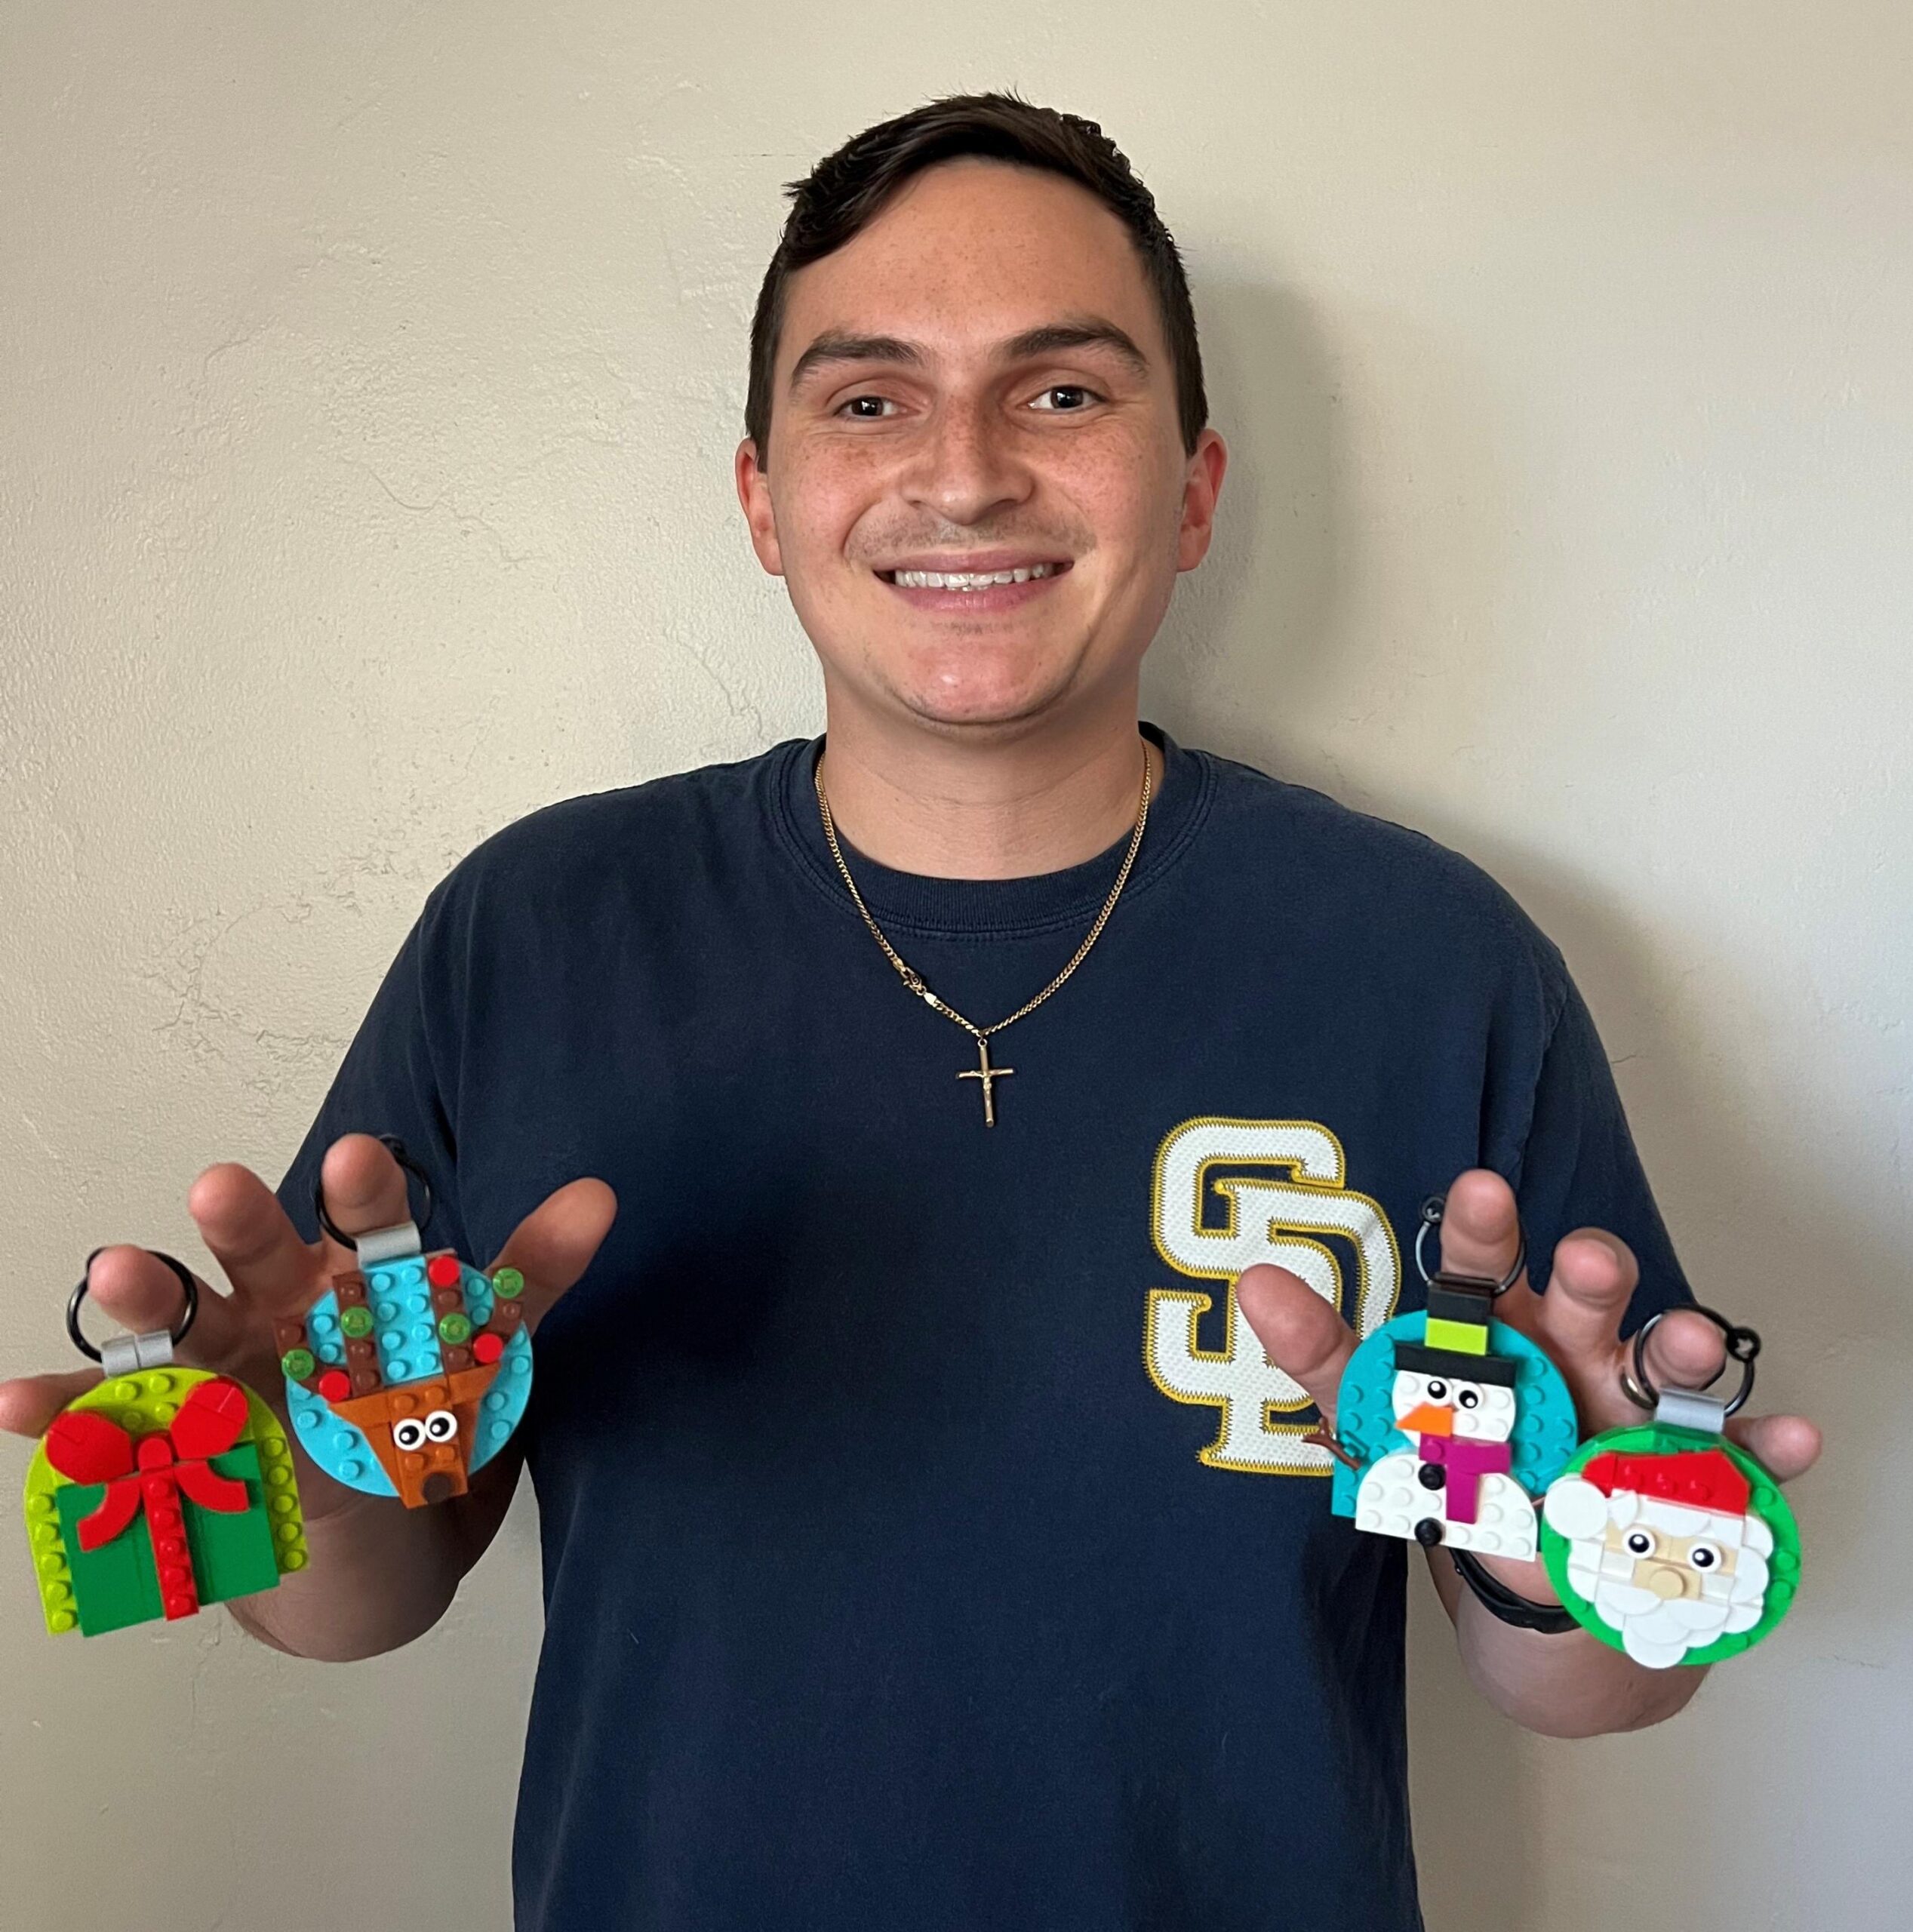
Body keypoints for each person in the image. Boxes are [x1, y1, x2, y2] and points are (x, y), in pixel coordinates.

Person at [1, 94, 1820, 1931]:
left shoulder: (1429, 953)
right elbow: (352, 1605)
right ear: (760, 496)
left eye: (1060, 391)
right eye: (867, 397)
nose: (962, 475)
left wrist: (1567, 1526)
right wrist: (297, 1455)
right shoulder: (540, 929)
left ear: (1190, 489)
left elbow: (1601, 1676)